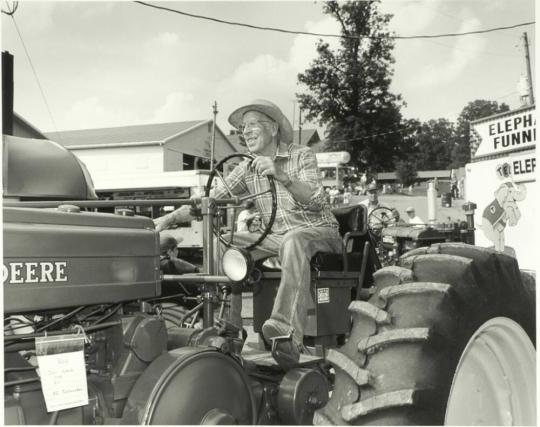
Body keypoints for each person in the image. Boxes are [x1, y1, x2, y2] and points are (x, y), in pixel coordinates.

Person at [154, 99, 341, 369]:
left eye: (253, 124)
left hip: (317, 232)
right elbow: (210, 201)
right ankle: (231, 326)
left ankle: (286, 333)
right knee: (226, 244)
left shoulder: (301, 156)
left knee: (294, 240)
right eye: (243, 128)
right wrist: (168, 218)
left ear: (273, 128)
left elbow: (315, 199)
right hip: (276, 237)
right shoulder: (247, 168)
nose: (246, 132)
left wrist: (281, 176)